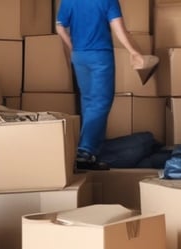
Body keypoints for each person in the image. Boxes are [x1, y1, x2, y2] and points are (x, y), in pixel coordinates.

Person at [56, 0, 146, 171]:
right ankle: (85, 151)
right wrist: (134, 52)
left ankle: (91, 155)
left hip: (80, 57)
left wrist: (72, 47)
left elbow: (60, 27)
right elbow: (118, 28)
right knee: (100, 103)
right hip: (100, 56)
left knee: (89, 102)